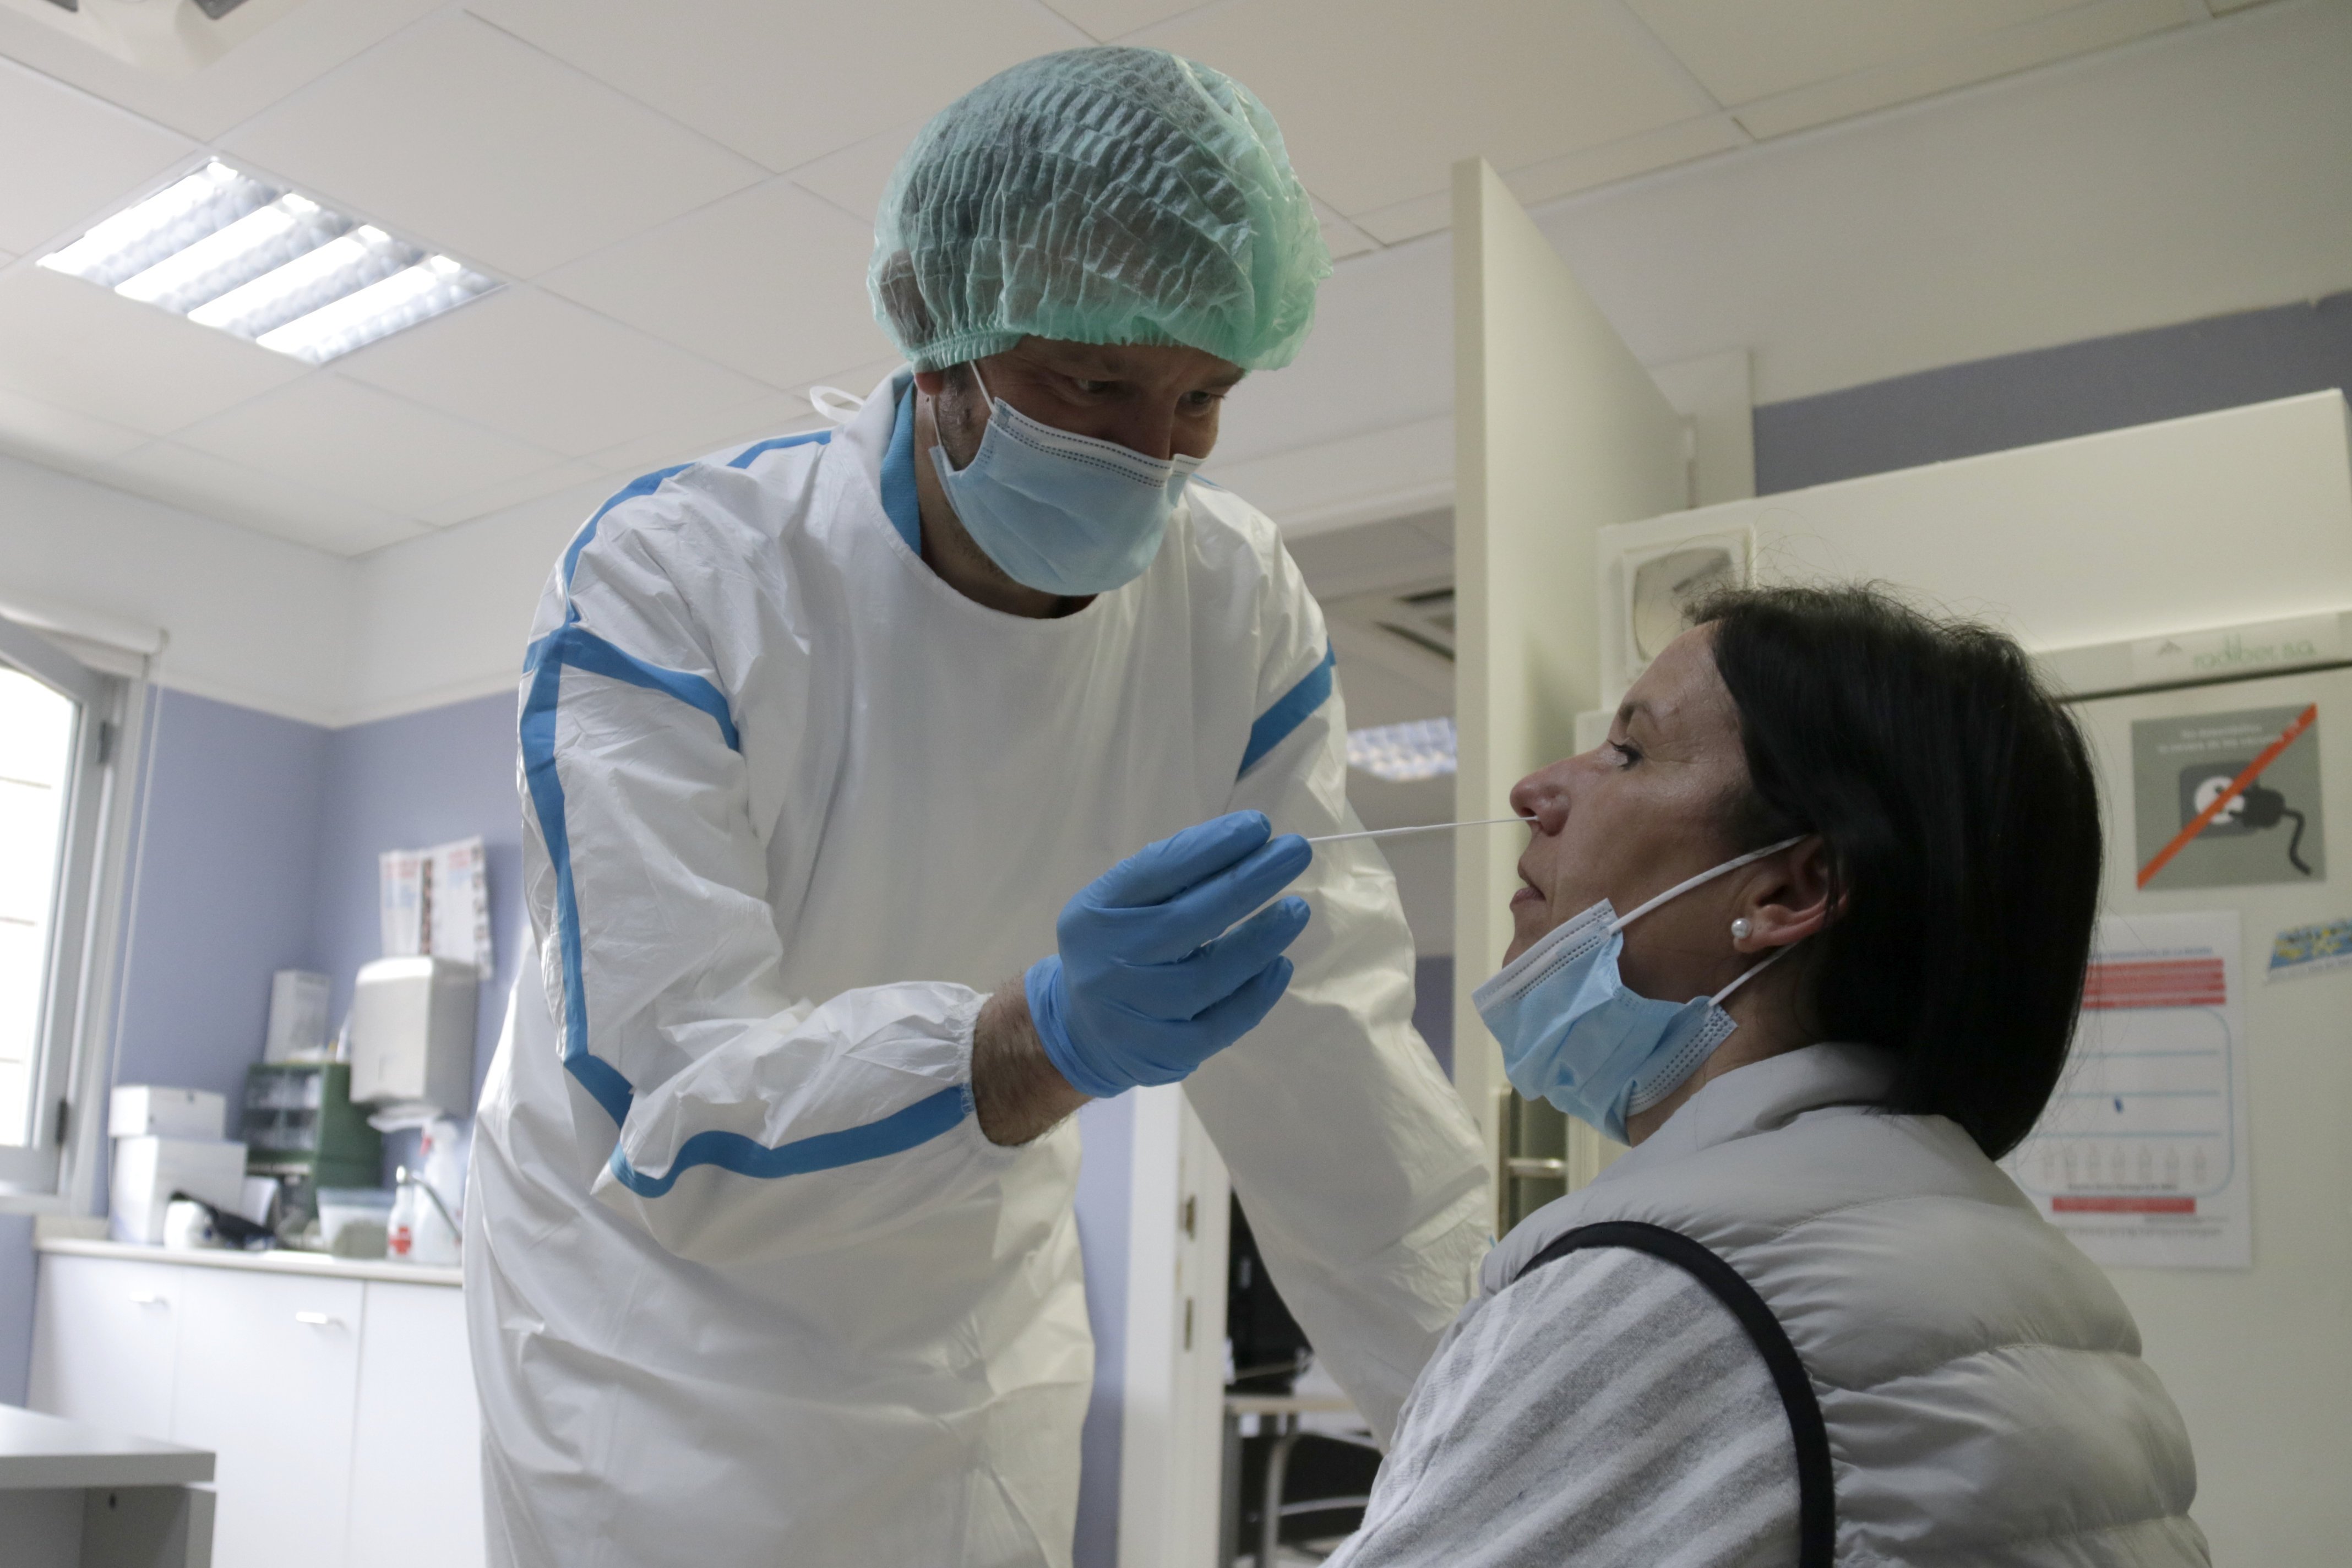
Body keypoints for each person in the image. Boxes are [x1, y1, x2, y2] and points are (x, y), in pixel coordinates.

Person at [463, 45, 1489, 1568]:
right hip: (649, 1345)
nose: (1153, 457)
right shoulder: (676, 583)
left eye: (1203, 397)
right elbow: (671, 1113)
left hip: (968, 1322)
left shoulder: (1234, 608)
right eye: (1093, 382)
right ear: (935, 329)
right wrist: (1028, 1044)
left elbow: (1337, 1073)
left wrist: (1514, 1434)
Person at [1327, 586, 2208, 1568]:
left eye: (1628, 752)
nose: (1536, 791)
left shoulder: (1657, 1290)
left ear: (1791, 889)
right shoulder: (2034, 1281)